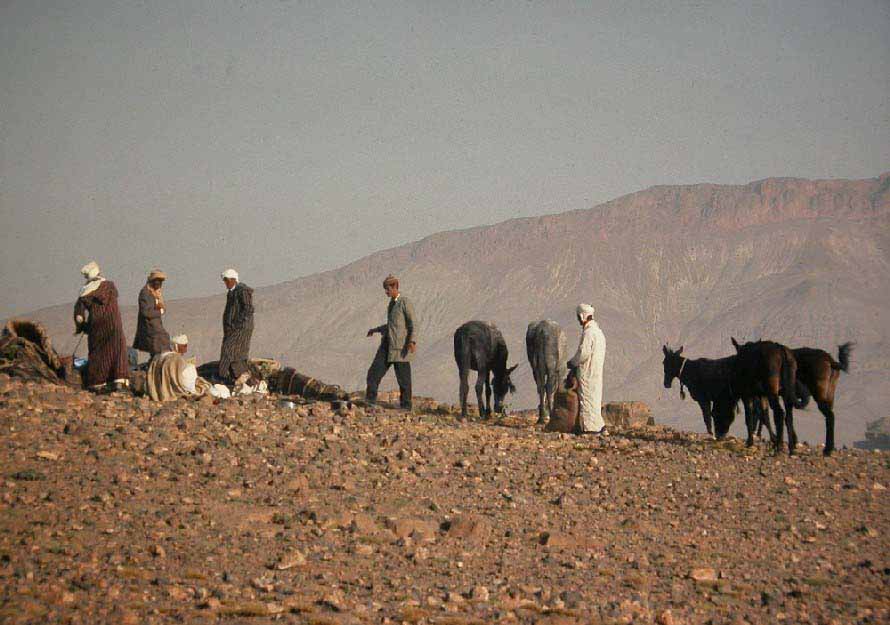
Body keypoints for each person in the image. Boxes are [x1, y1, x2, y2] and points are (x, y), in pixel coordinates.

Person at [73, 261, 129, 391]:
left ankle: (98, 383)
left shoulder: (84, 292)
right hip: (114, 325)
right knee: (117, 351)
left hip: (96, 327)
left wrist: (82, 327)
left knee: (98, 353)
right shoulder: (110, 286)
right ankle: (118, 381)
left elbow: (79, 317)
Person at [365, 274, 416, 409]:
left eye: (387, 289)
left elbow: (413, 324)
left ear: (394, 287)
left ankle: (406, 407)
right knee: (373, 374)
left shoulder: (404, 303)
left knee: (404, 380)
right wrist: (375, 330)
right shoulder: (391, 305)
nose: (386, 292)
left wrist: (412, 341)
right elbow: (391, 325)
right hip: (387, 346)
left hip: (401, 348)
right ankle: (369, 402)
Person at [567, 303, 606, 434]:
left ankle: (590, 428)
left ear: (582, 316)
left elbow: (583, 353)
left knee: (587, 399)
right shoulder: (599, 333)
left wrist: (572, 363)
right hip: (596, 372)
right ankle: (599, 425)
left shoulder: (589, 333)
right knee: (595, 399)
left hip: (587, 372)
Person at [146, 334, 216, 401]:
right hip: (177, 388)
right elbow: (176, 378)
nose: (186, 349)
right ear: (176, 346)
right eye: (184, 346)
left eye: (186, 346)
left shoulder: (160, 356)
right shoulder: (175, 359)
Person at [218, 268, 254, 382]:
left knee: (228, 350)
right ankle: (237, 378)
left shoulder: (242, 290)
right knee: (237, 354)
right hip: (234, 328)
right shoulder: (232, 292)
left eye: (227, 280)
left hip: (241, 328)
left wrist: (236, 323)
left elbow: (248, 309)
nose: (226, 283)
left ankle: (222, 377)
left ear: (233, 280)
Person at [133, 269, 171, 359]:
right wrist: (160, 311)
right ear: (152, 281)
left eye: (161, 281)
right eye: (158, 280)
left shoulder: (155, 293)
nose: (160, 283)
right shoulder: (145, 293)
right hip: (150, 329)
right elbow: (146, 312)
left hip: (155, 328)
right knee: (161, 348)